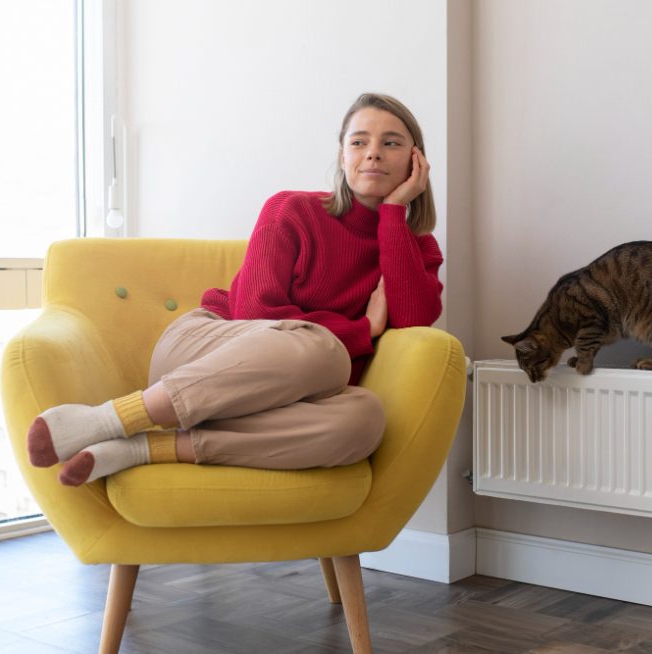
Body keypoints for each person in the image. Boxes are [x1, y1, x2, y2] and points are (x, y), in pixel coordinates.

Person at [27, 92, 444, 486]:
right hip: (205, 349)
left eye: (391, 142)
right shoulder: (292, 209)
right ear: (343, 155)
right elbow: (255, 313)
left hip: (280, 397)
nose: (372, 152)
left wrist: (394, 214)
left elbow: (413, 320)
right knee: (325, 350)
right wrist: (360, 331)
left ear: (415, 160)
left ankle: (147, 448)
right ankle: (109, 419)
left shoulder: (414, 248)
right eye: (359, 141)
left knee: (365, 418)